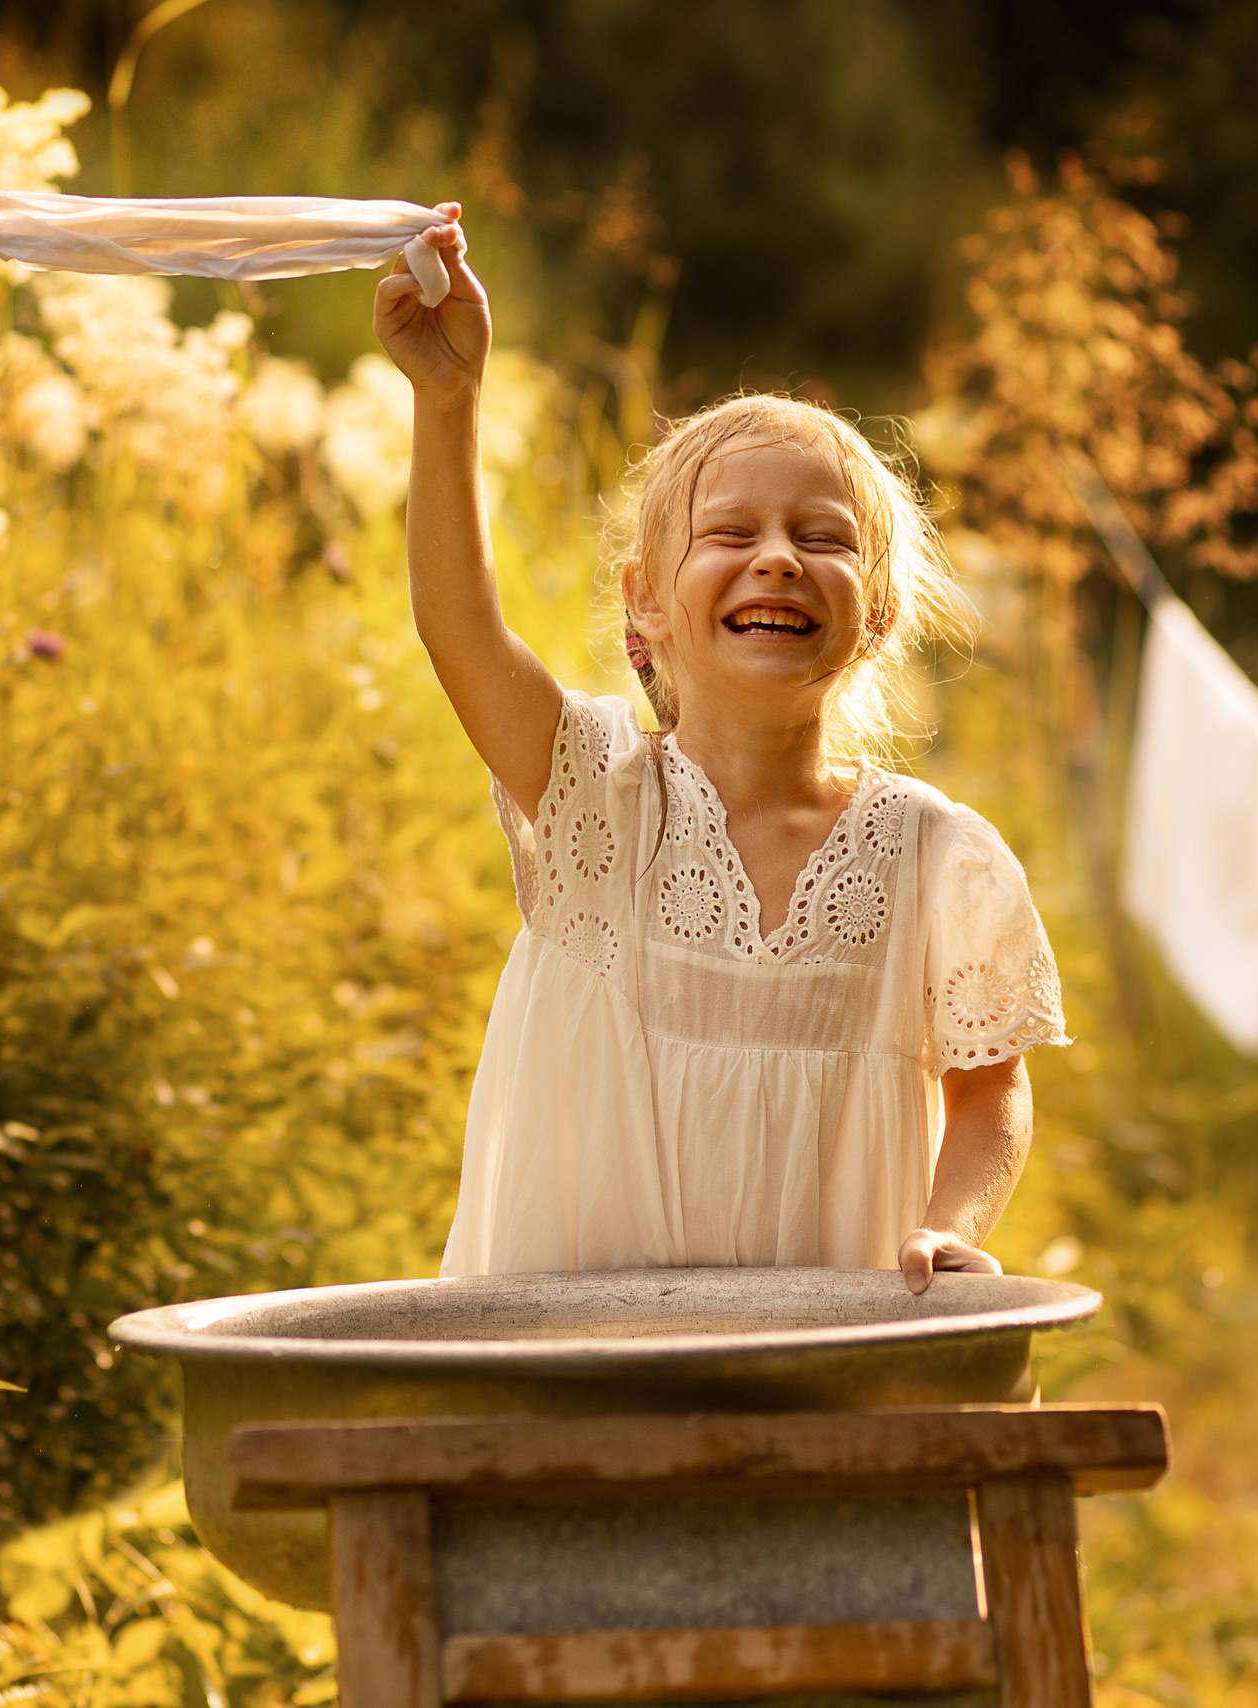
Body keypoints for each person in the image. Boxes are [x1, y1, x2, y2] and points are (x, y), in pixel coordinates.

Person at [377, 209, 1068, 1293]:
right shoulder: (590, 800)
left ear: (879, 613)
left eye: (824, 538)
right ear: (644, 602)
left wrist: (951, 1224)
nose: (779, 561)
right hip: (589, 1368)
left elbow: (991, 1093)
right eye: (731, 535)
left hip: (814, 1373)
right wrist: (447, 398)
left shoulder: (938, 856)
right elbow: (459, 626)